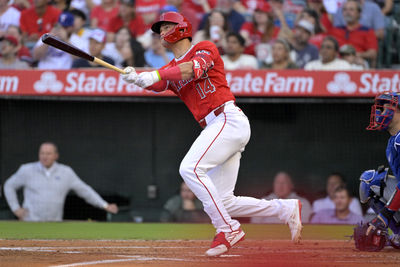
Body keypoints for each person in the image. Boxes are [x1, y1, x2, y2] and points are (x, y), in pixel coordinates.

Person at [121, 11, 302, 257]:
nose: (161, 33)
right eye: (160, 29)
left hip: (227, 119)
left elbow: (192, 70)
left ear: (181, 28)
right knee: (224, 200)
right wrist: (136, 77)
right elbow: (159, 83)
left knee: (190, 168)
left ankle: (227, 228)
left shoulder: (204, 48)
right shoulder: (170, 68)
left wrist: (156, 74)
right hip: (216, 127)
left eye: (165, 27)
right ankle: (284, 209)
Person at [3, 142, 118, 221]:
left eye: (48, 153)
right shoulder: (26, 170)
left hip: (54, 223)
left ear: (56, 155)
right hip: (30, 221)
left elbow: (85, 190)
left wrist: (104, 205)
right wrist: (15, 208)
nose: (44, 156)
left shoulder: (66, 172)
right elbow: (9, 186)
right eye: (42, 153)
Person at [363, 92, 400, 246]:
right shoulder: (394, 141)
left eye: (385, 109)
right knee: (370, 181)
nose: (380, 114)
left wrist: (384, 215)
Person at [328, 0, 378, 66]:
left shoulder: (367, 31)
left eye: (351, 9)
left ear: (359, 13)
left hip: (357, 62)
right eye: (345, 10)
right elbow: (327, 47)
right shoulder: (335, 30)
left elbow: (373, 53)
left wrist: (354, 55)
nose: (347, 12)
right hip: (336, 62)